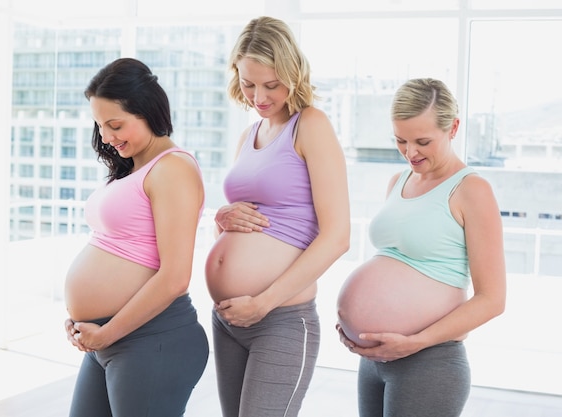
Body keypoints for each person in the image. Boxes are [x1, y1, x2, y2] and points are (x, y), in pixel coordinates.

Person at [205, 16, 350, 417]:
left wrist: (264, 302)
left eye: (271, 84)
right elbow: (242, 224)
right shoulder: (248, 135)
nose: (259, 96)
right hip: (229, 318)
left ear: (293, 74)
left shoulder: (311, 125)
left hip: (280, 318)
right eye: (248, 83)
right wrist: (222, 218)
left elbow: (338, 236)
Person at [336, 78, 506, 417]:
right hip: (374, 361)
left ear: (453, 127)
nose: (410, 152)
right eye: (400, 140)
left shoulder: (472, 190)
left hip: (429, 361)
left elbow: (493, 300)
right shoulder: (397, 182)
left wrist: (415, 341)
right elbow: (394, 263)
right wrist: (355, 323)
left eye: (423, 141)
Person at [62, 57, 209, 417]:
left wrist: (106, 332)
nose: (108, 137)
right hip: (107, 339)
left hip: (151, 339)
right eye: (100, 126)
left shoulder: (173, 168)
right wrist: (85, 321)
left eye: (116, 125)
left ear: (146, 111)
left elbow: (175, 278)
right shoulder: (133, 170)